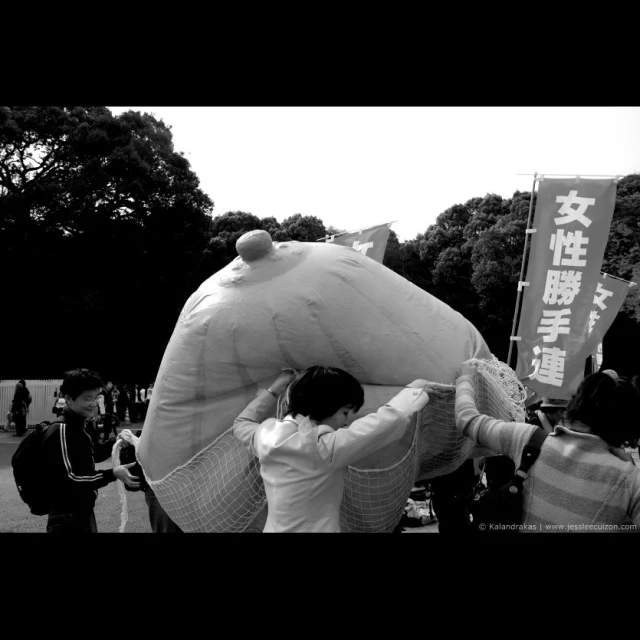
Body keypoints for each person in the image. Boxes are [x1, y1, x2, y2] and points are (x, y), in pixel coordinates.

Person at [233, 366, 429, 533]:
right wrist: (415, 390)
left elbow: (242, 422)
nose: (346, 422)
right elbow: (388, 421)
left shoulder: (264, 435)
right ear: (325, 406)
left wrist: (275, 388)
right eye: (345, 412)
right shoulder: (323, 448)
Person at [456, 364, 640, 531]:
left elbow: (467, 420)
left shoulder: (528, 439)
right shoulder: (631, 481)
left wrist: (465, 378)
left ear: (574, 404)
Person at [42, 368, 140, 533]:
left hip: (82, 509)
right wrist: (113, 473)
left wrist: (115, 441)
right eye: (87, 398)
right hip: (66, 516)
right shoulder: (61, 430)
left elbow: (92, 455)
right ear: (68, 398)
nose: (93, 404)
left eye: (96, 398)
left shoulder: (80, 425)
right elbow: (70, 480)